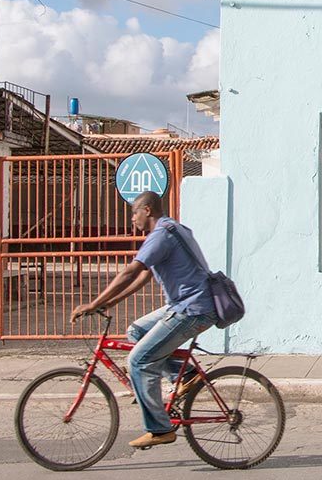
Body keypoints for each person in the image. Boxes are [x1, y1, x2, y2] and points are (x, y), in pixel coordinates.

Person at [70, 190, 216, 448]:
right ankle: (186, 376)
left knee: (137, 360)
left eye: (134, 213)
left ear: (147, 210)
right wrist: (108, 303)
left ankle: (160, 429)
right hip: (189, 304)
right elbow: (144, 277)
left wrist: (93, 303)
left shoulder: (161, 235)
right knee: (136, 332)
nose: (132, 220)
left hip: (192, 309)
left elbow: (130, 271)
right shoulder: (172, 229)